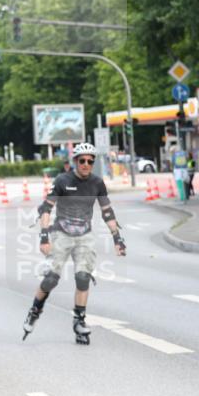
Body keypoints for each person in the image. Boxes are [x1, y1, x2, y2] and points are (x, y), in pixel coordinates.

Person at [22, 142, 126, 345]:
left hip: (84, 235)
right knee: (51, 279)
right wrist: (44, 236)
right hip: (62, 233)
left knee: (83, 277)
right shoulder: (63, 180)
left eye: (90, 161)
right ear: (75, 161)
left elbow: (107, 212)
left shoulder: (97, 183)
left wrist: (117, 238)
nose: (86, 164)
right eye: (82, 161)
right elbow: (46, 209)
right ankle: (35, 310)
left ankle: (79, 321)